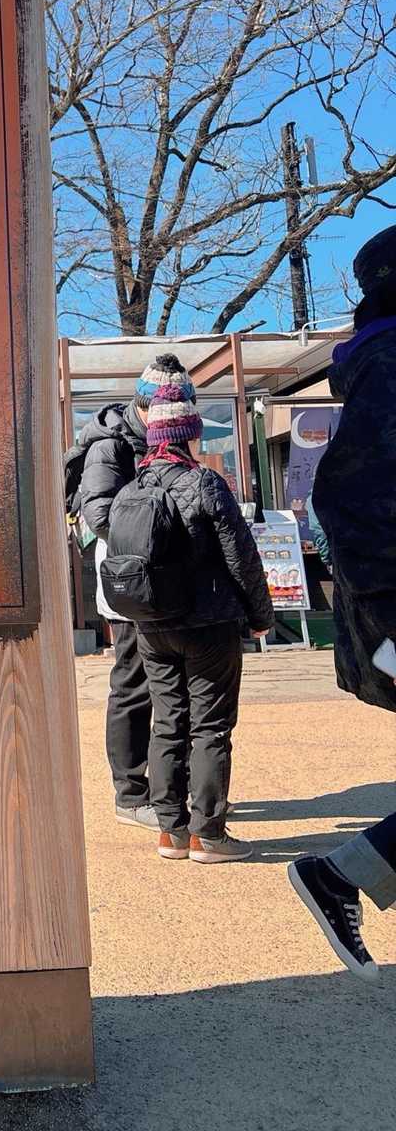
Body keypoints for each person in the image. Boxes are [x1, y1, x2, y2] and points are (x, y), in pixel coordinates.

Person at [290, 224, 396, 983]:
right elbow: (352, 499)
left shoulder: (378, 367)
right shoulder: (389, 367)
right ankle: (343, 873)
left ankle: (345, 873)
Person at [126, 375, 273, 863]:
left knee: (167, 723)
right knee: (210, 726)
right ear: (189, 436)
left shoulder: (134, 487)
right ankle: (209, 834)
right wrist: (260, 614)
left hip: (153, 626)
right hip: (209, 624)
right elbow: (242, 558)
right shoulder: (206, 483)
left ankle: (171, 832)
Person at [77, 353, 192, 828]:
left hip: (168, 583)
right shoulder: (109, 445)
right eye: (166, 406)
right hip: (129, 584)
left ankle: (170, 790)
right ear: (144, 405)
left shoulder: (167, 438)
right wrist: (157, 537)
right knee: (133, 685)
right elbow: (98, 514)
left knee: (172, 687)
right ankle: (129, 793)